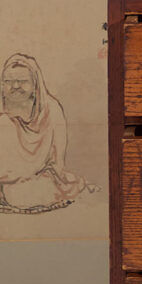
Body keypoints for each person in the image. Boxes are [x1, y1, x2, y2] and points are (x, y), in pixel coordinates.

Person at [0, 53, 98, 214]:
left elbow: (57, 160)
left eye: (23, 81)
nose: (15, 86)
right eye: (8, 82)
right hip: (6, 177)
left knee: (22, 196)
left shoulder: (50, 110)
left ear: (35, 84)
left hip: (38, 176)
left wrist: (35, 173)